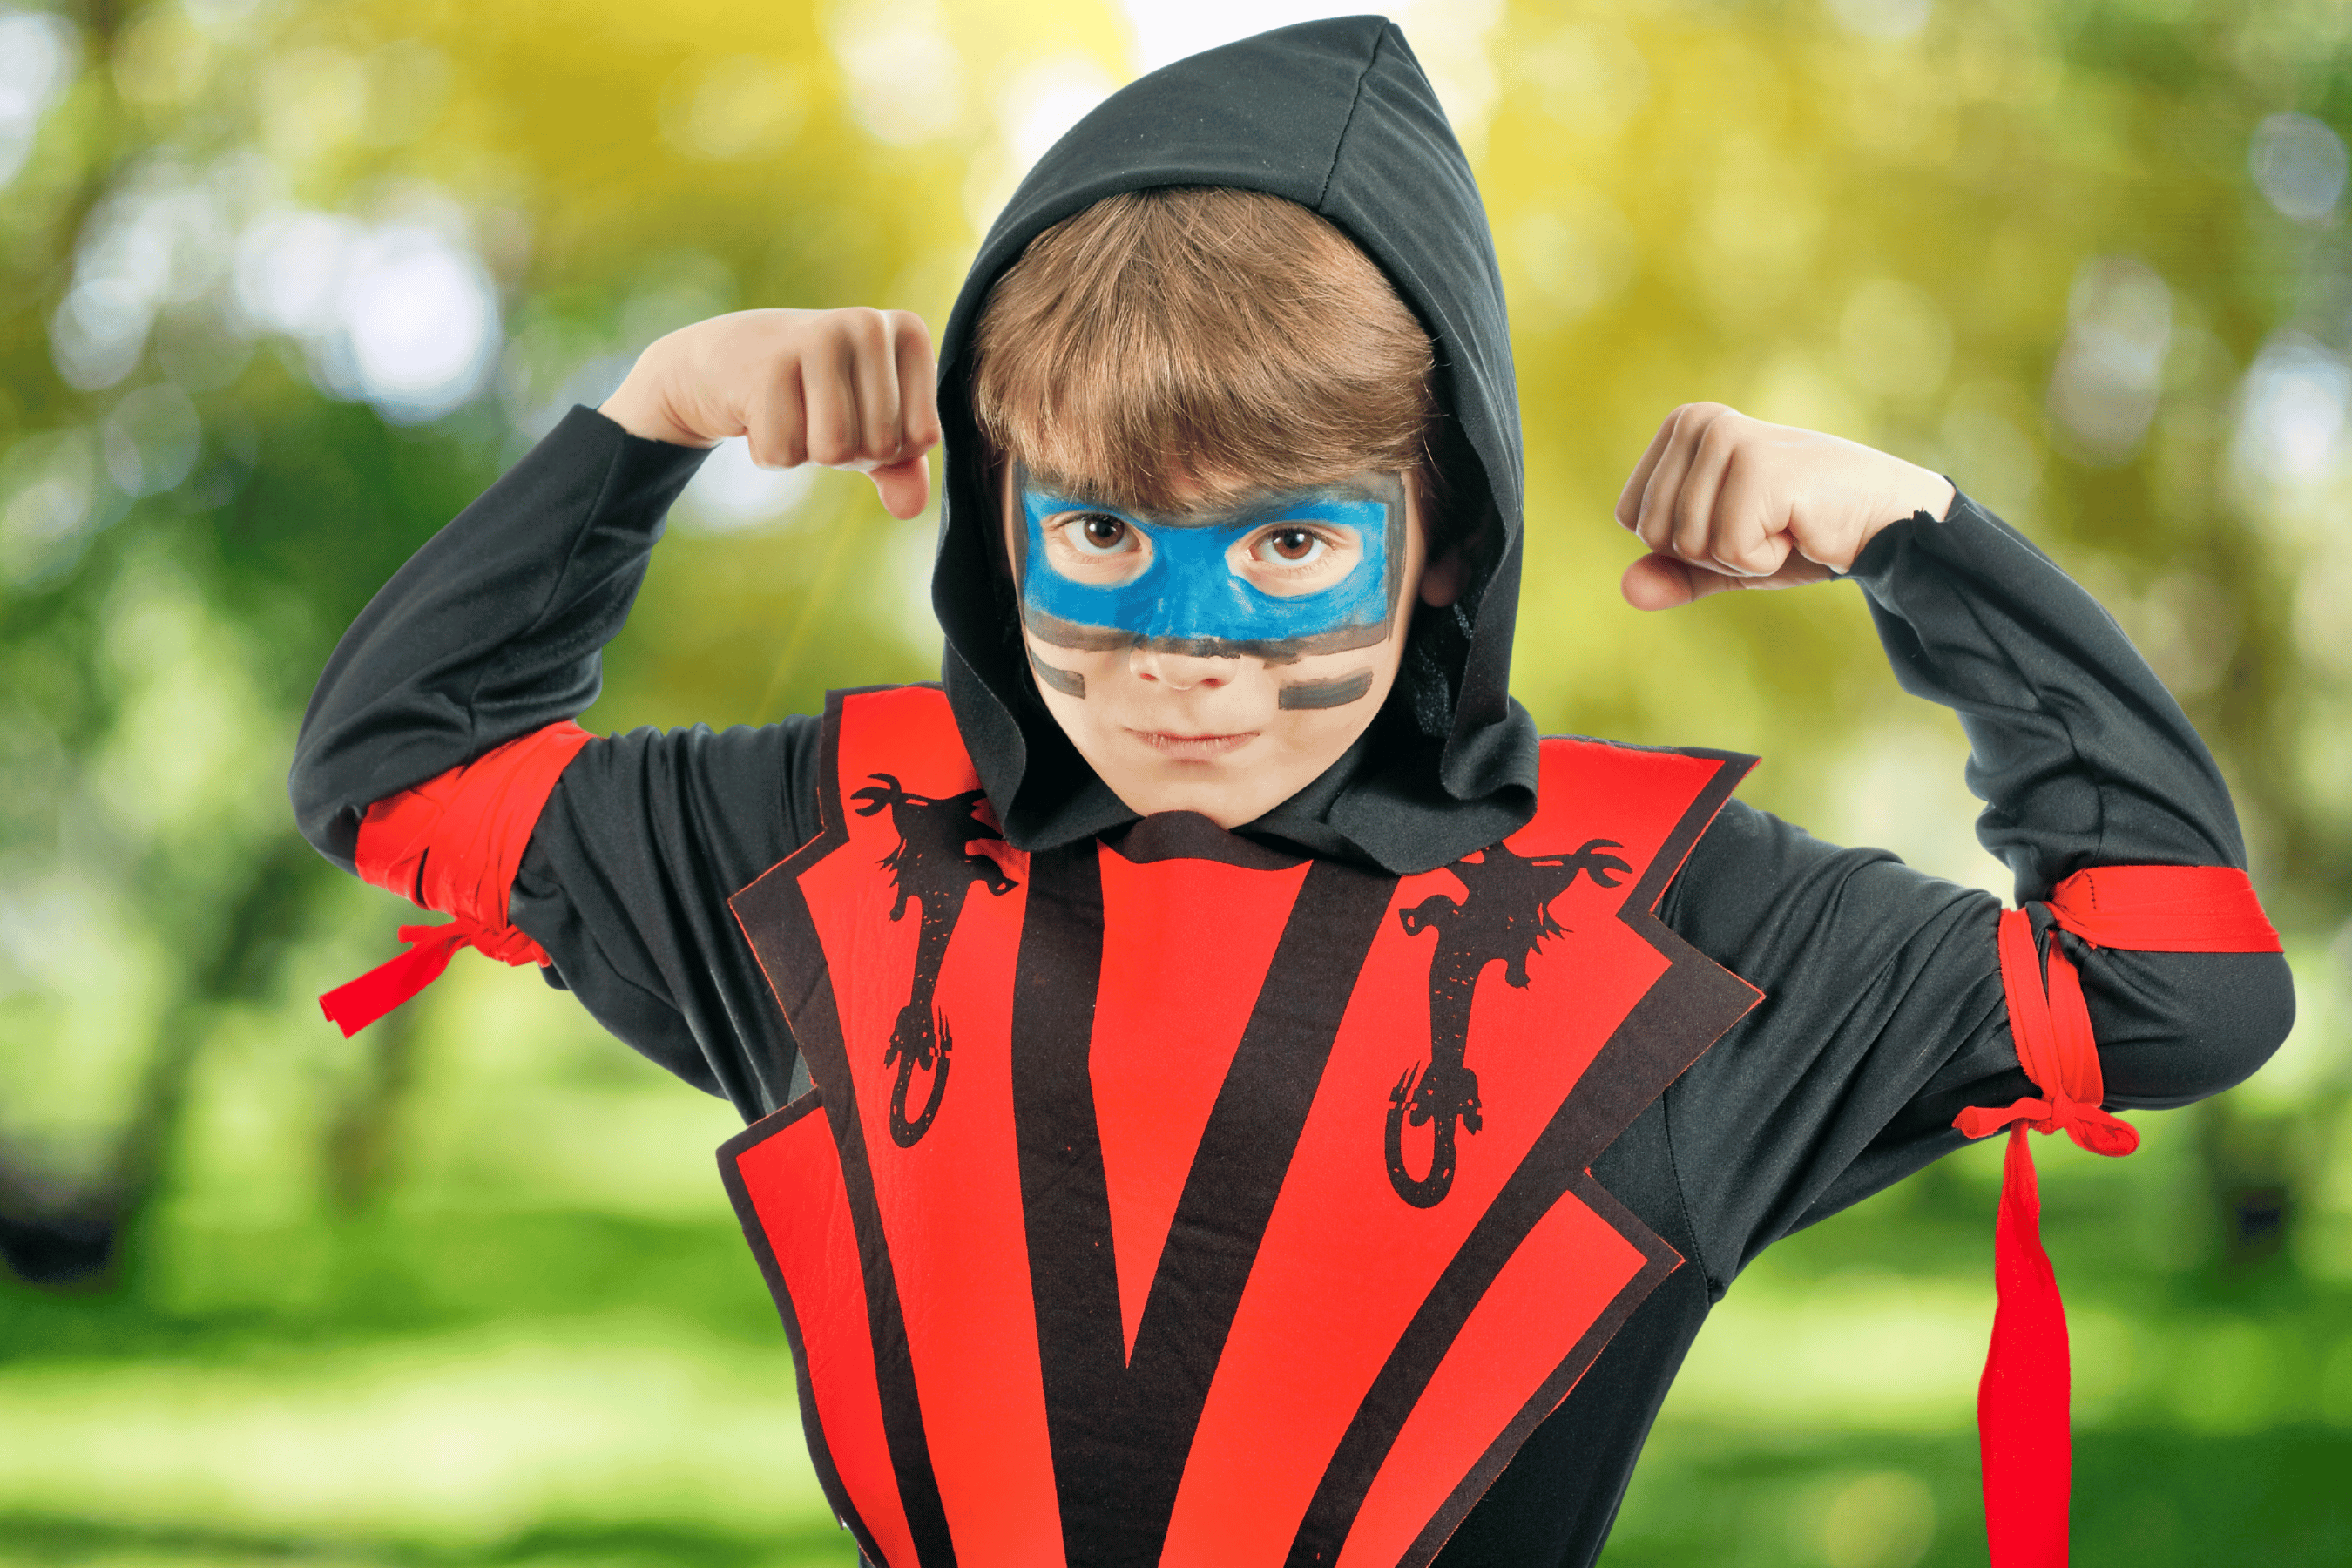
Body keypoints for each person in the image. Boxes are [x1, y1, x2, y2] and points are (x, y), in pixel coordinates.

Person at [290, 18, 2294, 1568]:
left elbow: (2175, 986)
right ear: (998, 523)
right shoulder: (828, 846)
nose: (1183, 665)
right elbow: (396, 772)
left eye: (1280, 552)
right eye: (1100, 533)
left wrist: (1915, 539)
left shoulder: (1668, 922)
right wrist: (654, 418)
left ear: (1442, 537)